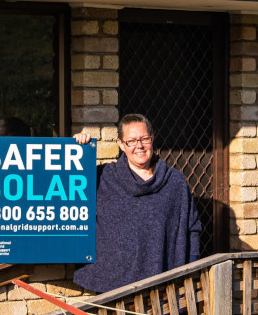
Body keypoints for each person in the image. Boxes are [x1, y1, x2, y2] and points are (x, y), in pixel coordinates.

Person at [72, 113, 201, 293]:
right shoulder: (103, 178)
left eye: (144, 139)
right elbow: (68, 186)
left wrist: (191, 270)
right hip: (111, 289)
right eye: (131, 141)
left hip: (162, 288)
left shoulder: (175, 182)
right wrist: (77, 149)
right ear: (120, 144)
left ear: (152, 139)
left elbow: (191, 228)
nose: (139, 146)